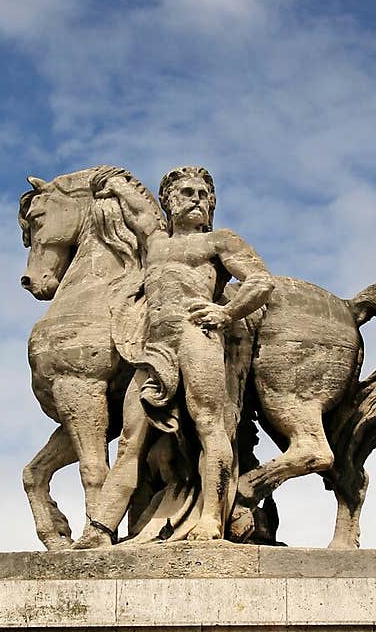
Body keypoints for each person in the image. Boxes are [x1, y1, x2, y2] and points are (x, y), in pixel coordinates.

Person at [77, 166, 274, 544]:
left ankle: (211, 519)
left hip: (194, 337)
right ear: (168, 201)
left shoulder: (219, 242)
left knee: (208, 426)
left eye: (203, 193)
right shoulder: (155, 242)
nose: (196, 198)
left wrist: (227, 313)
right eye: (186, 192)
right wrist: (114, 182)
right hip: (153, 348)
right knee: (129, 441)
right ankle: (100, 530)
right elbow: (138, 210)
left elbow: (261, 280)